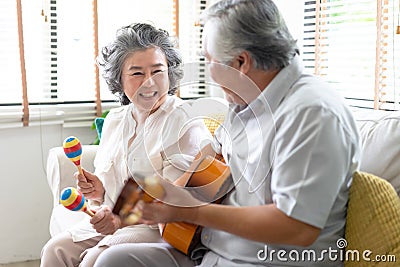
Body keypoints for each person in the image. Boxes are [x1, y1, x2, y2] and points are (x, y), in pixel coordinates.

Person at [93, 0, 362, 267]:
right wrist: (166, 194)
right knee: (113, 260)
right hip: (208, 250)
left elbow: (297, 227)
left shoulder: (312, 114)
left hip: (261, 261)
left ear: (241, 61)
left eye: (209, 61)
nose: (208, 71)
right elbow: (214, 169)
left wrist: (191, 212)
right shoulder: (244, 102)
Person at [40, 23, 212, 267]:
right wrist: (98, 191)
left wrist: (120, 219)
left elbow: (179, 200)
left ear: (170, 73)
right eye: (137, 73)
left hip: (157, 230)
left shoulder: (185, 121)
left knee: (93, 260)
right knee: (54, 250)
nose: (149, 83)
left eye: (157, 71)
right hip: (115, 221)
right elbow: (108, 195)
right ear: (119, 79)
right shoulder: (115, 120)